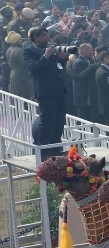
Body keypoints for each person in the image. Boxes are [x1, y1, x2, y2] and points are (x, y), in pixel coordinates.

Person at [24, 26, 68, 159]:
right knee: (47, 121)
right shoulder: (29, 50)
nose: (46, 37)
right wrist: (46, 55)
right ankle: (43, 151)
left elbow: (58, 66)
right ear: (35, 37)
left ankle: (56, 149)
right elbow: (34, 69)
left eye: (47, 35)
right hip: (45, 92)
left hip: (59, 89)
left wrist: (61, 58)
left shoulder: (51, 47)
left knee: (59, 121)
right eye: (43, 35)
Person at [6, 31, 33, 100]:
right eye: (20, 39)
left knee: (17, 97)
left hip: (13, 75)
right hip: (21, 76)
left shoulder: (9, 49)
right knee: (23, 97)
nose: (21, 40)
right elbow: (25, 62)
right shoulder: (18, 51)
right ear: (16, 41)